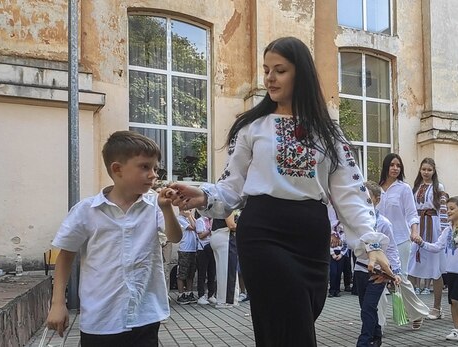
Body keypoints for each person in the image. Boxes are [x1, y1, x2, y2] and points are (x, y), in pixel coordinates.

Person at [166, 37, 393, 346]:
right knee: (291, 320)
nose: (270, 78)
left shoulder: (329, 132)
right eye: (266, 69)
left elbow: (350, 192)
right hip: (263, 232)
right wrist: (203, 196)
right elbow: (231, 187)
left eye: (280, 70)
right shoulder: (252, 127)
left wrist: (371, 245)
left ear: (301, 74)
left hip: (311, 236)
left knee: (293, 320)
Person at [45, 131, 183, 344]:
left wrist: (167, 210)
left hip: (145, 315)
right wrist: (57, 303)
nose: (153, 174)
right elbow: (65, 255)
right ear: (117, 169)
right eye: (145, 167)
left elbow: (175, 237)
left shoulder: (155, 205)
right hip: (101, 319)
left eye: (156, 168)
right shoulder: (86, 211)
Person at [414, 196, 458, 342]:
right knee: (452, 301)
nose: (448, 212)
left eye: (452, 209)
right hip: (450, 269)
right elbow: (437, 247)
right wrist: (422, 243)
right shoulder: (447, 231)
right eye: (447, 209)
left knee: (456, 299)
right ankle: (456, 328)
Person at [377, 153, 430, 328]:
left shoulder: (404, 188)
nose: (395, 168)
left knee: (400, 278)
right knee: (379, 280)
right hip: (379, 242)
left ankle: (416, 313)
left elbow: (412, 213)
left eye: (398, 165)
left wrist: (414, 232)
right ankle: (378, 324)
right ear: (385, 166)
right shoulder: (377, 189)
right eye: (392, 165)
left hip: (400, 238)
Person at [354, 181, 402, 347]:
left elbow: (392, 249)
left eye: (368, 197)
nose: (363, 200)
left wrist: (395, 272)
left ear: (377, 199)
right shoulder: (356, 221)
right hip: (360, 269)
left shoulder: (384, 223)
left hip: (379, 273)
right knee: (366, 307)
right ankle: (376, 335)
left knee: (368, 307)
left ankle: (364, 341)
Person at [409, 158, 447, 317]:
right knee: (411, 267)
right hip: (418, 227)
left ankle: (437, 307)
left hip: (433, 227)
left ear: (433, 171)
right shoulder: (415, 187)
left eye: (429, 170)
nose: (426, 172)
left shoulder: (438, 187)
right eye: (423, 169)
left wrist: (444, 232)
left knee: (435, 268)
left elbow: (443, 210)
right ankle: (411, 306)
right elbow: (410, 210)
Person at [176, 209, 199, 304]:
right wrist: (190, 216)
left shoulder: (189, 218)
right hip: (184, 249)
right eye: (187, 209)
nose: (189, 211)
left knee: (191, 273)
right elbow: (193, 227)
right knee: (182, 273)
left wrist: (191, 216)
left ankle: (189, 292)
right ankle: (181, 294)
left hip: (193, 249)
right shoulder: (180, 218)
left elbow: (198, 226)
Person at [195, 214, 217, 305]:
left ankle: (211, 294)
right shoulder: (200, 221)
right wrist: (210, 230)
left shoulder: (213, 220)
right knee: (202, 273)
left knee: (212, 272)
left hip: (212, 247)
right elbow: (201, 236)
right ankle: (201, 295)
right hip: (203, 249)